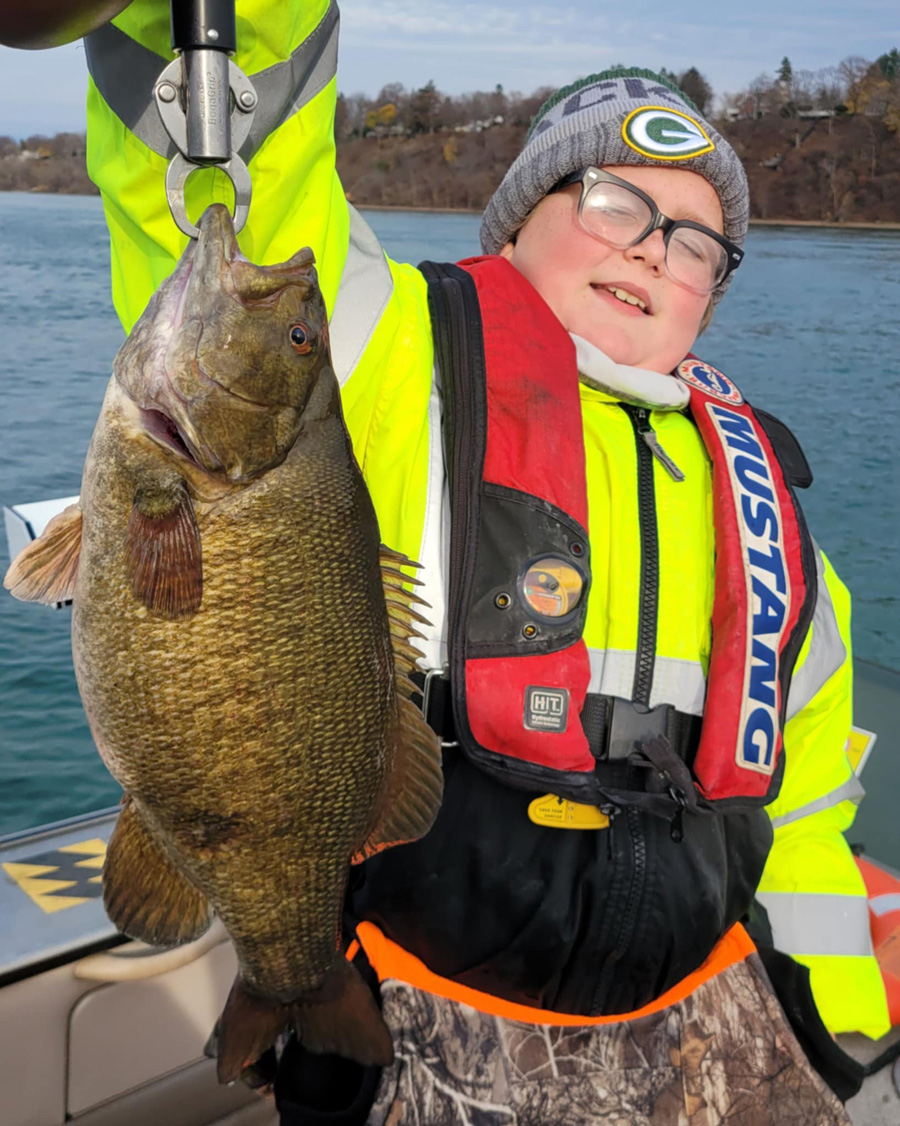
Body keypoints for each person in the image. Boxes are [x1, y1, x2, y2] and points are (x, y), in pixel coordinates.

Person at [2, 2, 893, 1122]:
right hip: (425, 1023)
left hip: (711, 1028)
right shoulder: (393, 359)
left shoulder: (772, 515)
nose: (652, 248)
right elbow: (242, 157)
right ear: (514, 224)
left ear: (714, 287)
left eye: (697, 240)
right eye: (614, 200)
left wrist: (836, 1023)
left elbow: (807, 808)